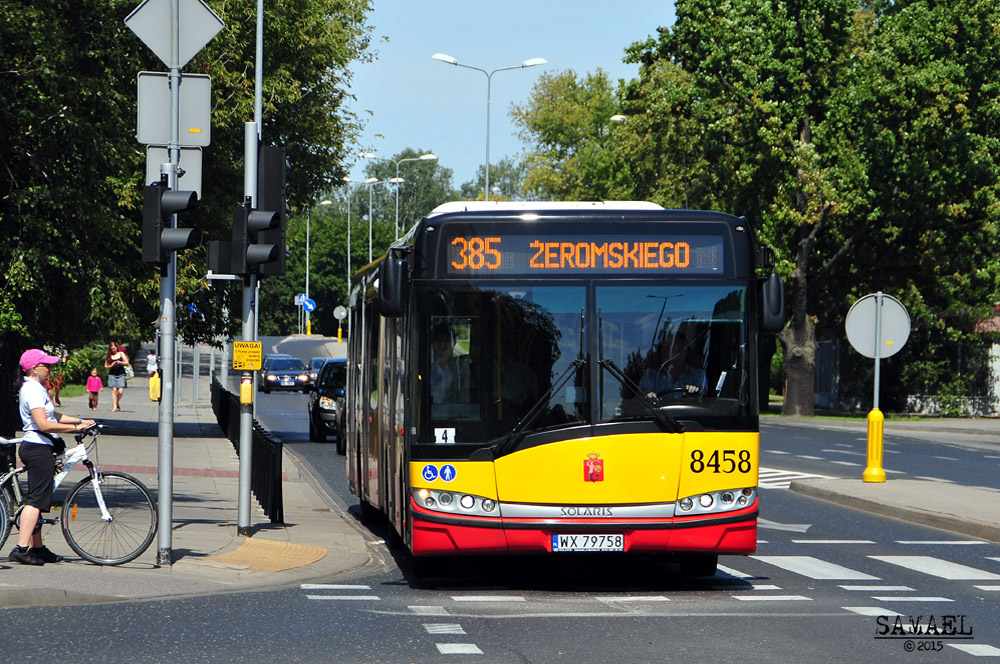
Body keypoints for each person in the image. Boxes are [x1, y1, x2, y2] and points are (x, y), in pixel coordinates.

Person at [10, 349, 96, 565]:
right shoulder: (32, 389)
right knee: (37, 500)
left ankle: (38, 548)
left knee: (39, 498)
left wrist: (80, 421)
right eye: (46, 365)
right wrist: (75, 429)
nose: (50, 369)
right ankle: (21, 548)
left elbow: (53, 415)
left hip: (41, 447)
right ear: (33, 368)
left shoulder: (36, 387)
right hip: (37, 448)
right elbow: (44, 424)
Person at [640, 331, 708, 399]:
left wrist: (694, 392)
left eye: (668, 348)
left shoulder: (697, 375)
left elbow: (702, 395)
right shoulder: (651, 375)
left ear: (682, 351)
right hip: (657, 409)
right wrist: (649, 395)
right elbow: (643, 394)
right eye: (662, 348)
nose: (663, 351)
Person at [430, 323, 466, 405]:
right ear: (433, 344)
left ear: (452, 345)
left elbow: (464, 398)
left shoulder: (460, 368)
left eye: (446, 341)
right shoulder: (426, 369)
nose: (442, 345)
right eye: (439, 341)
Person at [104, 342, 130, 412]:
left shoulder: (121, 354)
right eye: (111, 349)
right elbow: (106, 366)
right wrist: (111, 365)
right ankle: (114, 407)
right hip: (112, 374)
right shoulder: (109, 356)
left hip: (121, 374)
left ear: (116, 347)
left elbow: (127, 363)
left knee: (121, 391)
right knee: (114, 390)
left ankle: (117, 402)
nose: (113, 350)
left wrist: (120, 362)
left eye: (114, 348)